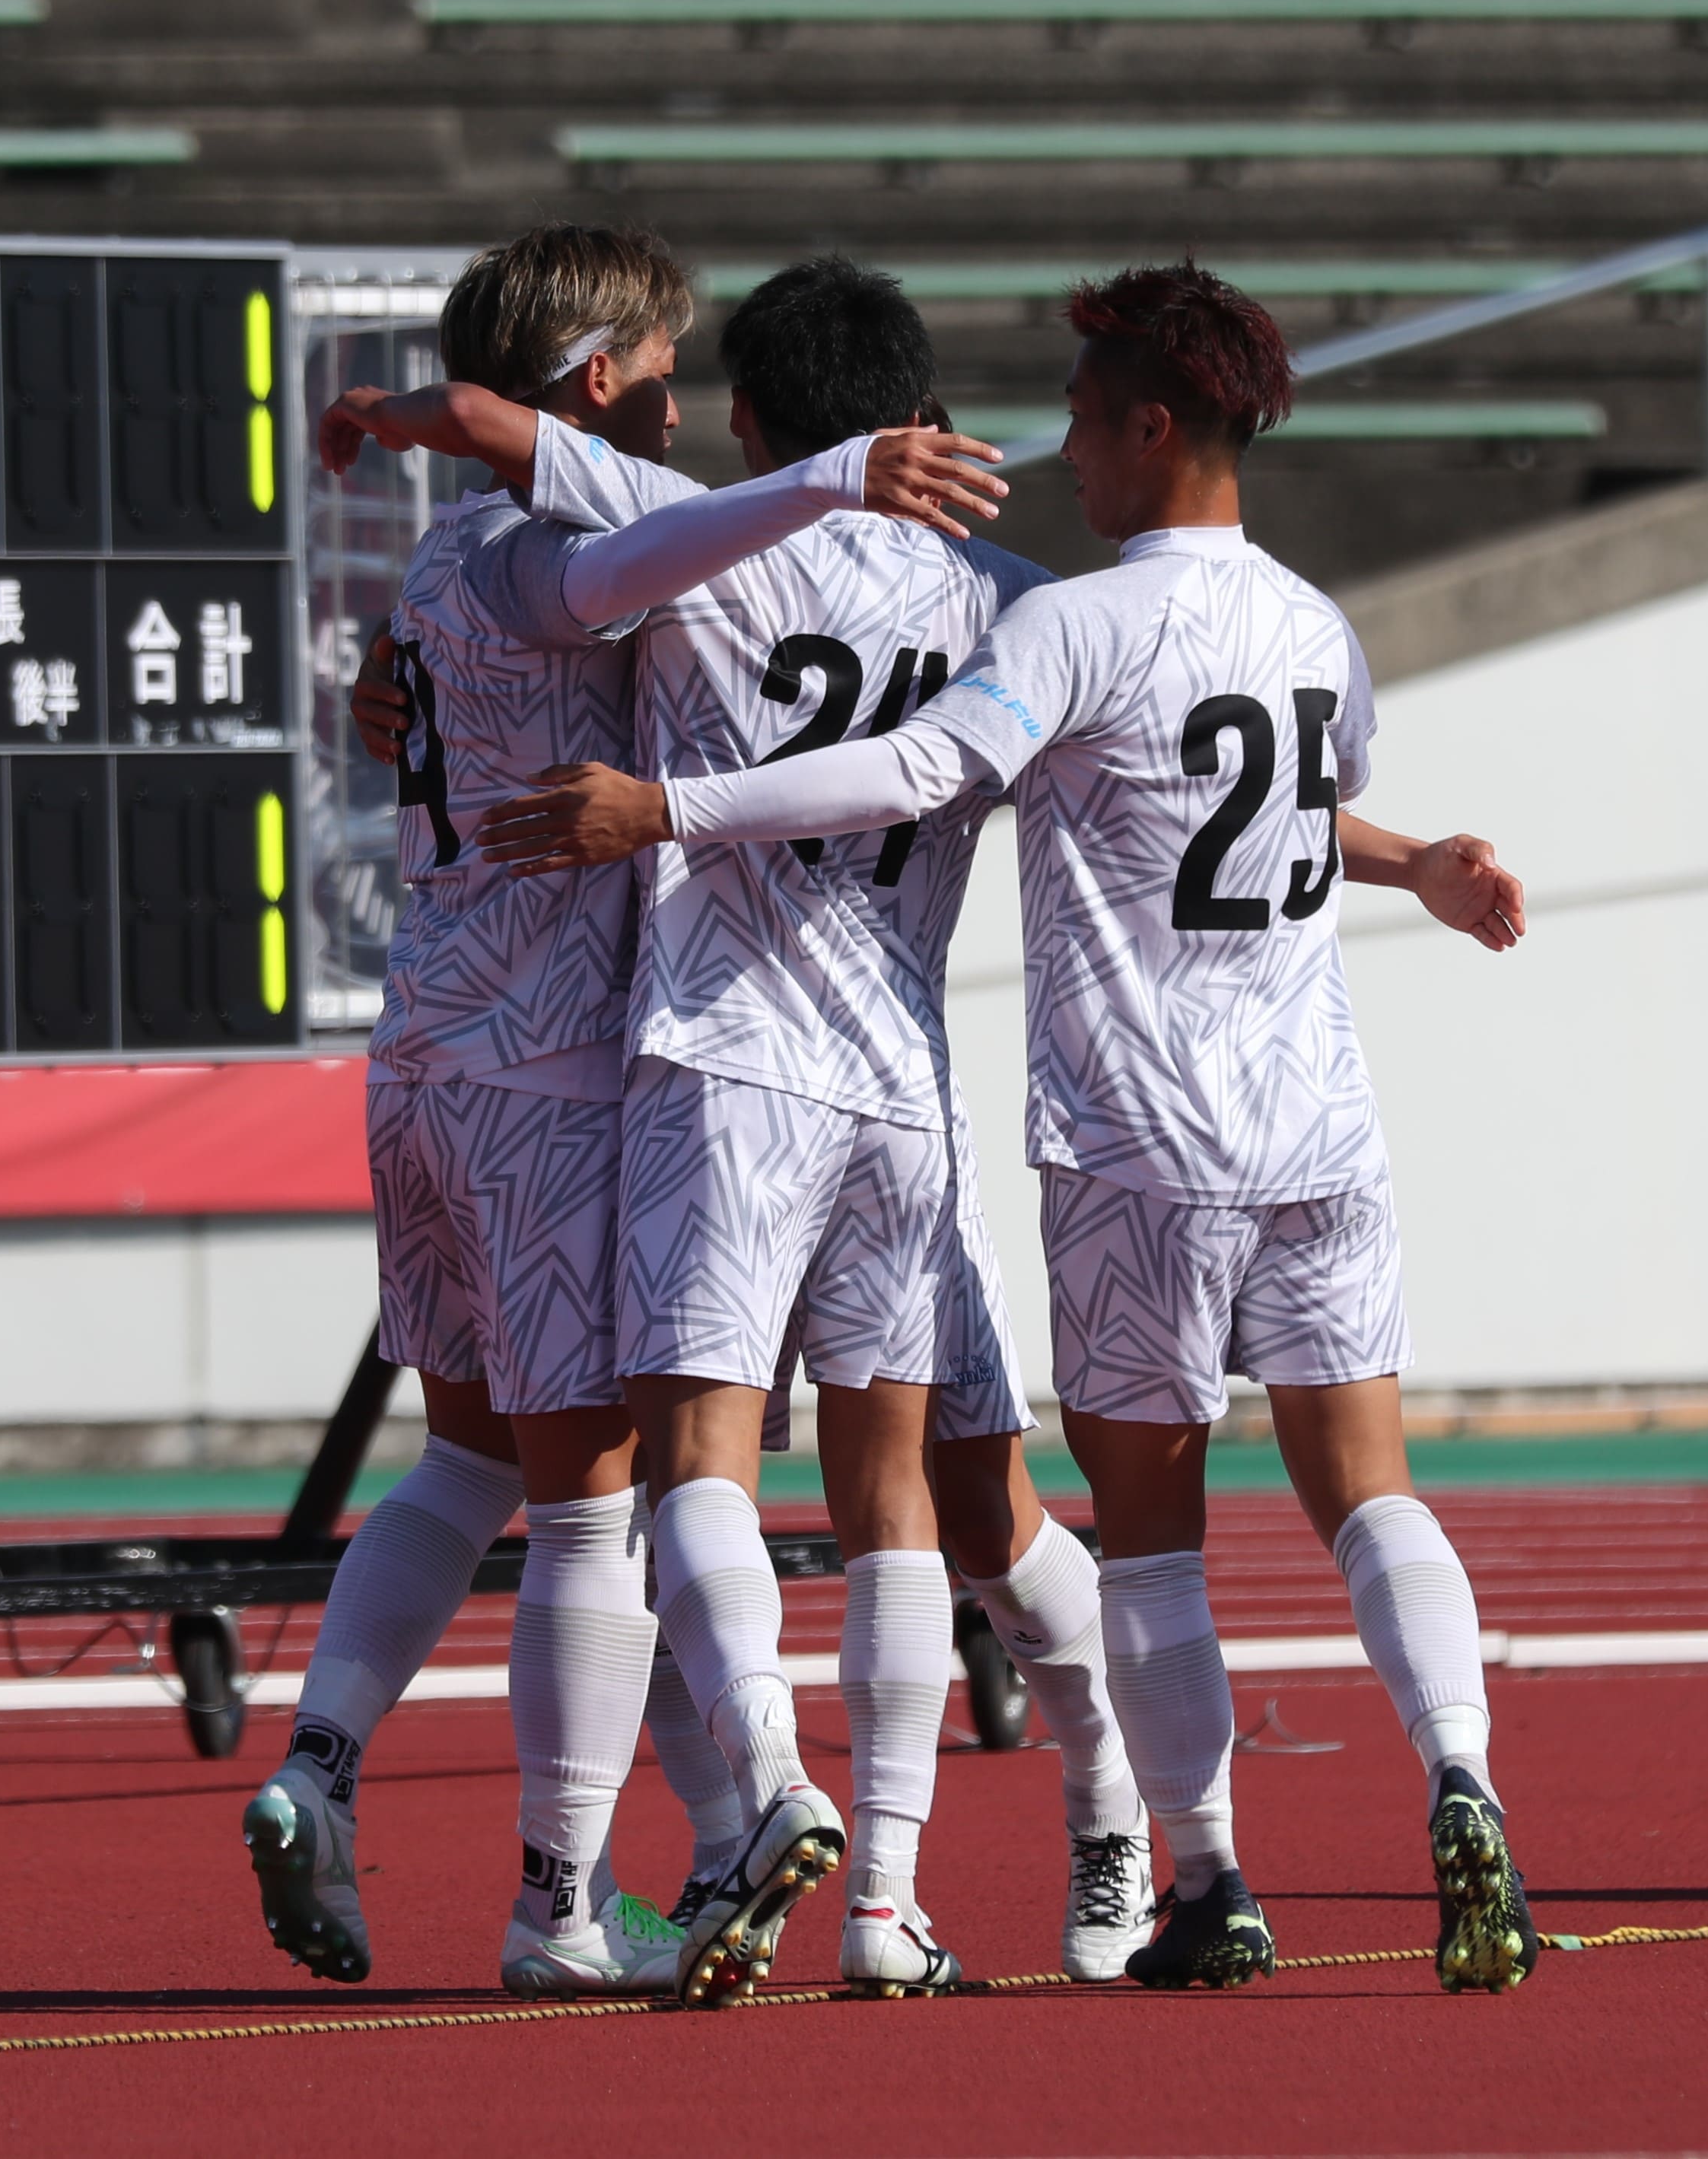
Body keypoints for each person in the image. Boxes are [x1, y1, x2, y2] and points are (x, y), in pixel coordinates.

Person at [472, 262, 1543, 1995]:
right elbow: (1256, 790)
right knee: (1050, 1497)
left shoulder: (983, 609)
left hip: (976, 1110)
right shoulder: (1229, 619)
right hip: (1238, 1121)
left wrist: (641, 795)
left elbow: (886, 749)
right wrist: (1413, 856)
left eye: (1081, 421)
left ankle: (1074, 1851)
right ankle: (1423, 1783)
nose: (1062, 450)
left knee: (740, 1486)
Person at [353, 258, 1163, 2005]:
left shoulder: (700, 540)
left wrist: (390, 445)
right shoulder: (1010, 601)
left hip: (719, 1071)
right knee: (928, 1504)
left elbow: (506, 452)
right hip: (902, 1088)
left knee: (704, 1471)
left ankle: (782, 1789)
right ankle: (913, 1891)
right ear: (922, 418)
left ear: (741, 419)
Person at [243, 224, 1002, 2002]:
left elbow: (452, 672)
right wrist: (835, 476)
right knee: (593, 1511)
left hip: (422, 1056)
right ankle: (559, 1904)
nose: (686, 401)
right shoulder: (559, 554)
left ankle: (321, 1766)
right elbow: (615, 559)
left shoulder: (447, 553)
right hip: (552, 1075)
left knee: (465, 1463)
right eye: (661, 369)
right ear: (595, 381)